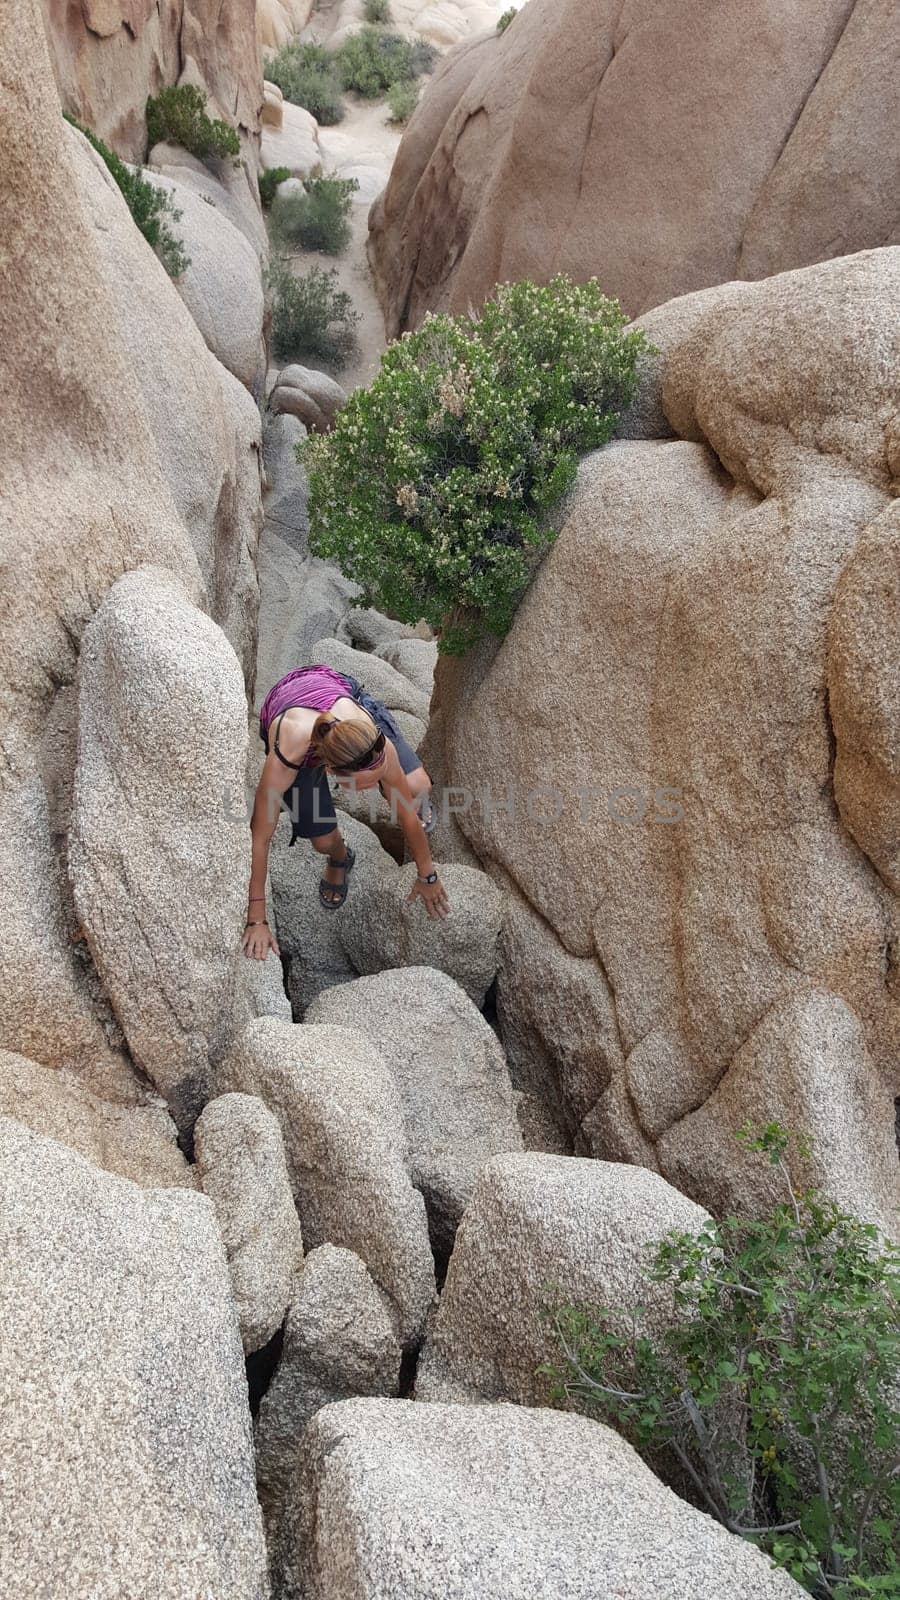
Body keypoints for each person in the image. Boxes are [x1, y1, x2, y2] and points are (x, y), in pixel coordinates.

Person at [242, 663, 449, 960]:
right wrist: (257, 919)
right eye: (365, 785)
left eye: (377, 779)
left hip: (335, 693)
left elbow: (404, 813)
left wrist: (428, 876)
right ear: (330, 771)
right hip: (288, 708)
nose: (370, 790)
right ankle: (341, 856)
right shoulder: (287, 755)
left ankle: (396, 782)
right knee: (323, 842)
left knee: (416, 789)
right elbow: (260, 837)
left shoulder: (375, 741)